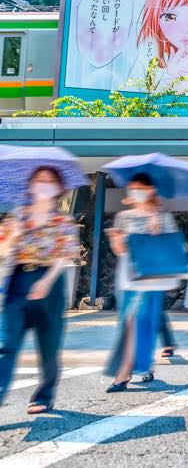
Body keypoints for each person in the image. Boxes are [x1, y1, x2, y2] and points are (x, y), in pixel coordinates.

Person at [0, 167, 80, 414]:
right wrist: (11, 238)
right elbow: (3, 253)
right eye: (39, 180)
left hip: (49, 284)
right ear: (30, 185)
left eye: (49, 181)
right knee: (6, 344)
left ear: (58, 189)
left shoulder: (63, 222)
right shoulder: (17, 217)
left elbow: (64, 255)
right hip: (17, 281)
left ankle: (44, 395)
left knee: (48, 345)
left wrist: (46, 281)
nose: (44, 185)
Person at [104, 173, 184, 392]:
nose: (136, 191)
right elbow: (120, 250)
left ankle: (124, 372)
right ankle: (138, 366)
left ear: (151, 190)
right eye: (133, 187)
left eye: (140, 187)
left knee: (137, 321)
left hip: (151, 279)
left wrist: (156, 230)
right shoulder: (124, 216)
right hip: (128, 277)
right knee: (127, 323)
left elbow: (172, 247)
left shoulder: (162, 216)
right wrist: (115, 238)